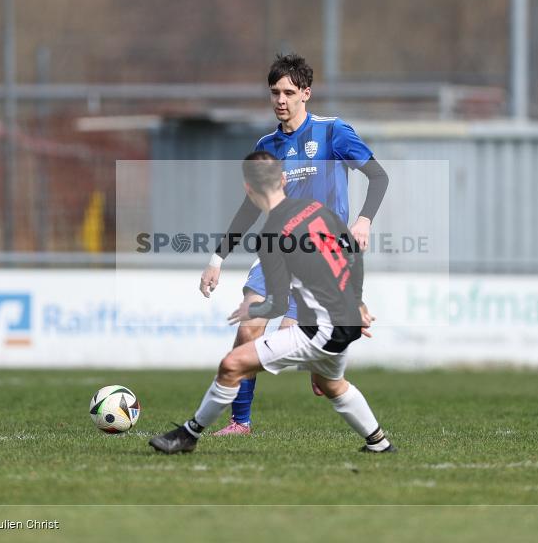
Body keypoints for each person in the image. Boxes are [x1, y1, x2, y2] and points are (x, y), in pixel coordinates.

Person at [150, 152, 395, 454]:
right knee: (332, 384)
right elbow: (351, 254)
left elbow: (277, 304)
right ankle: (380, 443)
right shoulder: (315, 209)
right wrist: (356, 302)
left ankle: (188, 435)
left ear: (248, 190)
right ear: (283, 180)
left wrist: (250, 310)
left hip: (320, 330)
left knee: (231, 364)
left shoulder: (270, 236)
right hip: (343, 324)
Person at [200, 53, 389, 435]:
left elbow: (378, 176)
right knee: (248, 329)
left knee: (314, 371)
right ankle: (240, 422)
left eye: (288, 92)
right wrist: (217, 258)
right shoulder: (266, 145)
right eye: (275, 92)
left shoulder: (333, 132)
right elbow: (249, 207)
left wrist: (364, 220)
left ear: (306, 93)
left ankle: (328, 366)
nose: (280, 100)